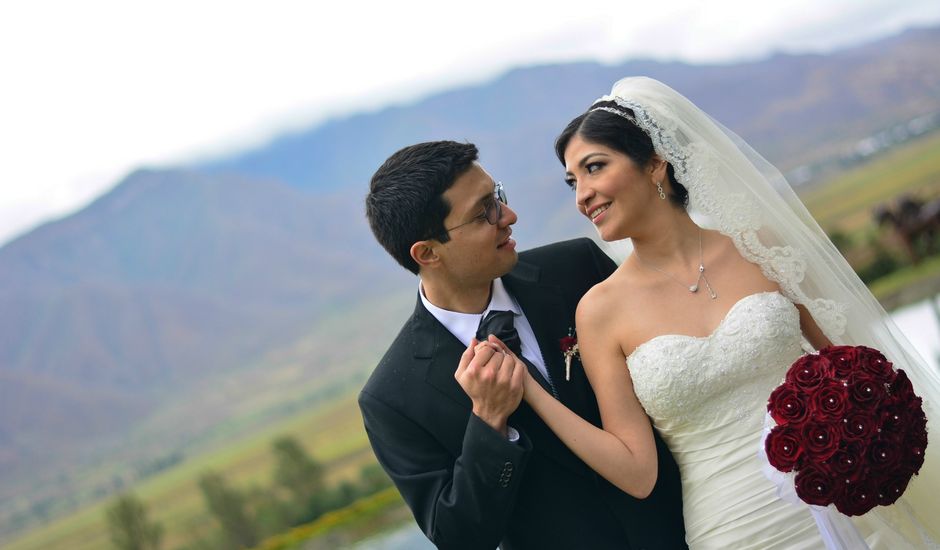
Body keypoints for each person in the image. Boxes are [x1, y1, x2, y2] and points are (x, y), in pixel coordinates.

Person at [518, 76, 940, 549]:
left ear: (655, 165)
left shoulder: (759, 246)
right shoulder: (599, 311)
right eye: (573, 182)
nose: (582, 196)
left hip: (847, 510)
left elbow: (856, 365)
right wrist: (532, 394)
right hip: (732, 530)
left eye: (595, 168)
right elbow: (637, 473)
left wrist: (871, 450)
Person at [359, 140, 687, 549]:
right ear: (427, 253)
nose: (508, 216)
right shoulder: (392, 397)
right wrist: (488, 423)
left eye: (498, 196)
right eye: (484, 213)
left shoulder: (578, 269)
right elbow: (460, 538)